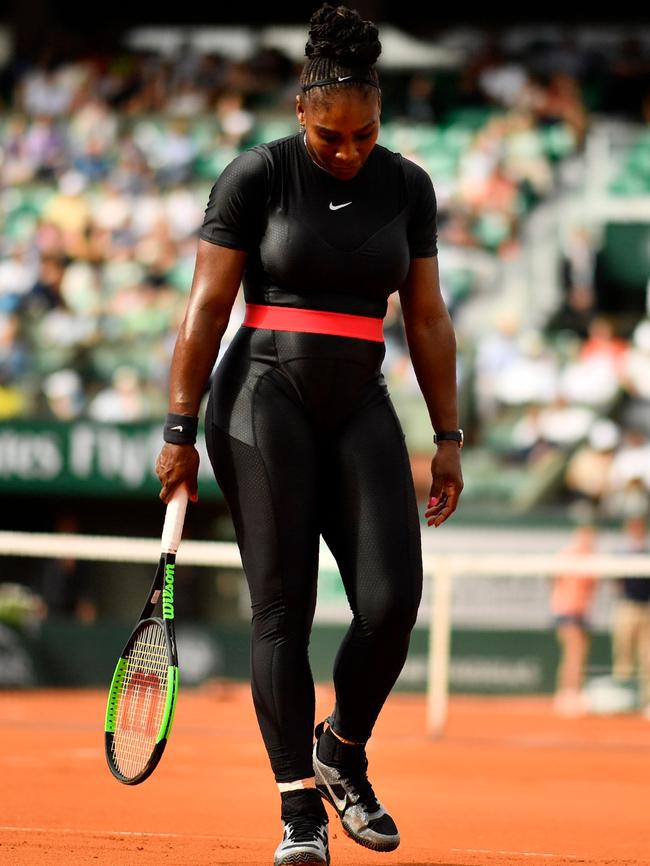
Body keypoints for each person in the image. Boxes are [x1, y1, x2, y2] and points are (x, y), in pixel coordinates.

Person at [155, 5, 463, 865]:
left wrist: (449, 436)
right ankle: (299, 815)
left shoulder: (408, 185)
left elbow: (429, 319)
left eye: (365, 133)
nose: (350, 150)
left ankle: (342, 751)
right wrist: (179, 428)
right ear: (302, 111)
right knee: (282, 611)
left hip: (360, 400)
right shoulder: (254, 176)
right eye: (332, 137)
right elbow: (206, 308)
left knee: (392, 603)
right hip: (263, 399)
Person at [550, 520, 598, 716]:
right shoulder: (569, 555)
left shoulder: (592, 558)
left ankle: (570, 693)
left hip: (580, 611)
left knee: (578, 653)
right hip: (567, 611)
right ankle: (568, 694)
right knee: (574, 652)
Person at [611, 505, 650, 716]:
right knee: (623, 655)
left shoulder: (648, 550)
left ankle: (646, 701)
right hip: (627, 606)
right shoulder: (621, 551)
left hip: (647, 608)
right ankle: (622, 700)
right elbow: (615, 581)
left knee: (647, 658)